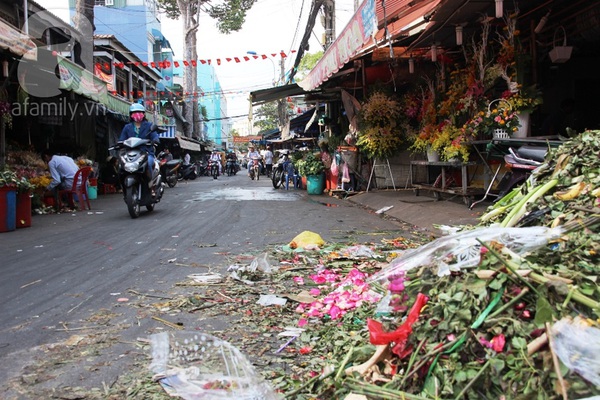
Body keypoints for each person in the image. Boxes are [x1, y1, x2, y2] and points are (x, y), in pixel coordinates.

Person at [118, 103, 160, 188]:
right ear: (131, 115)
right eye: (134, 112)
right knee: (120, 166)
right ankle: (122, 186)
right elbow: (122, 139)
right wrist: (119, 144)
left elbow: (155, 136)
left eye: (139, 112)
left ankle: (151, 185)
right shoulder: (127, 127)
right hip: (130, 153)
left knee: (148, 163)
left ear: (144, 114)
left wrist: (154, 140)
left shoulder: (149, 126)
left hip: (146, 152)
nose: (137, 114)